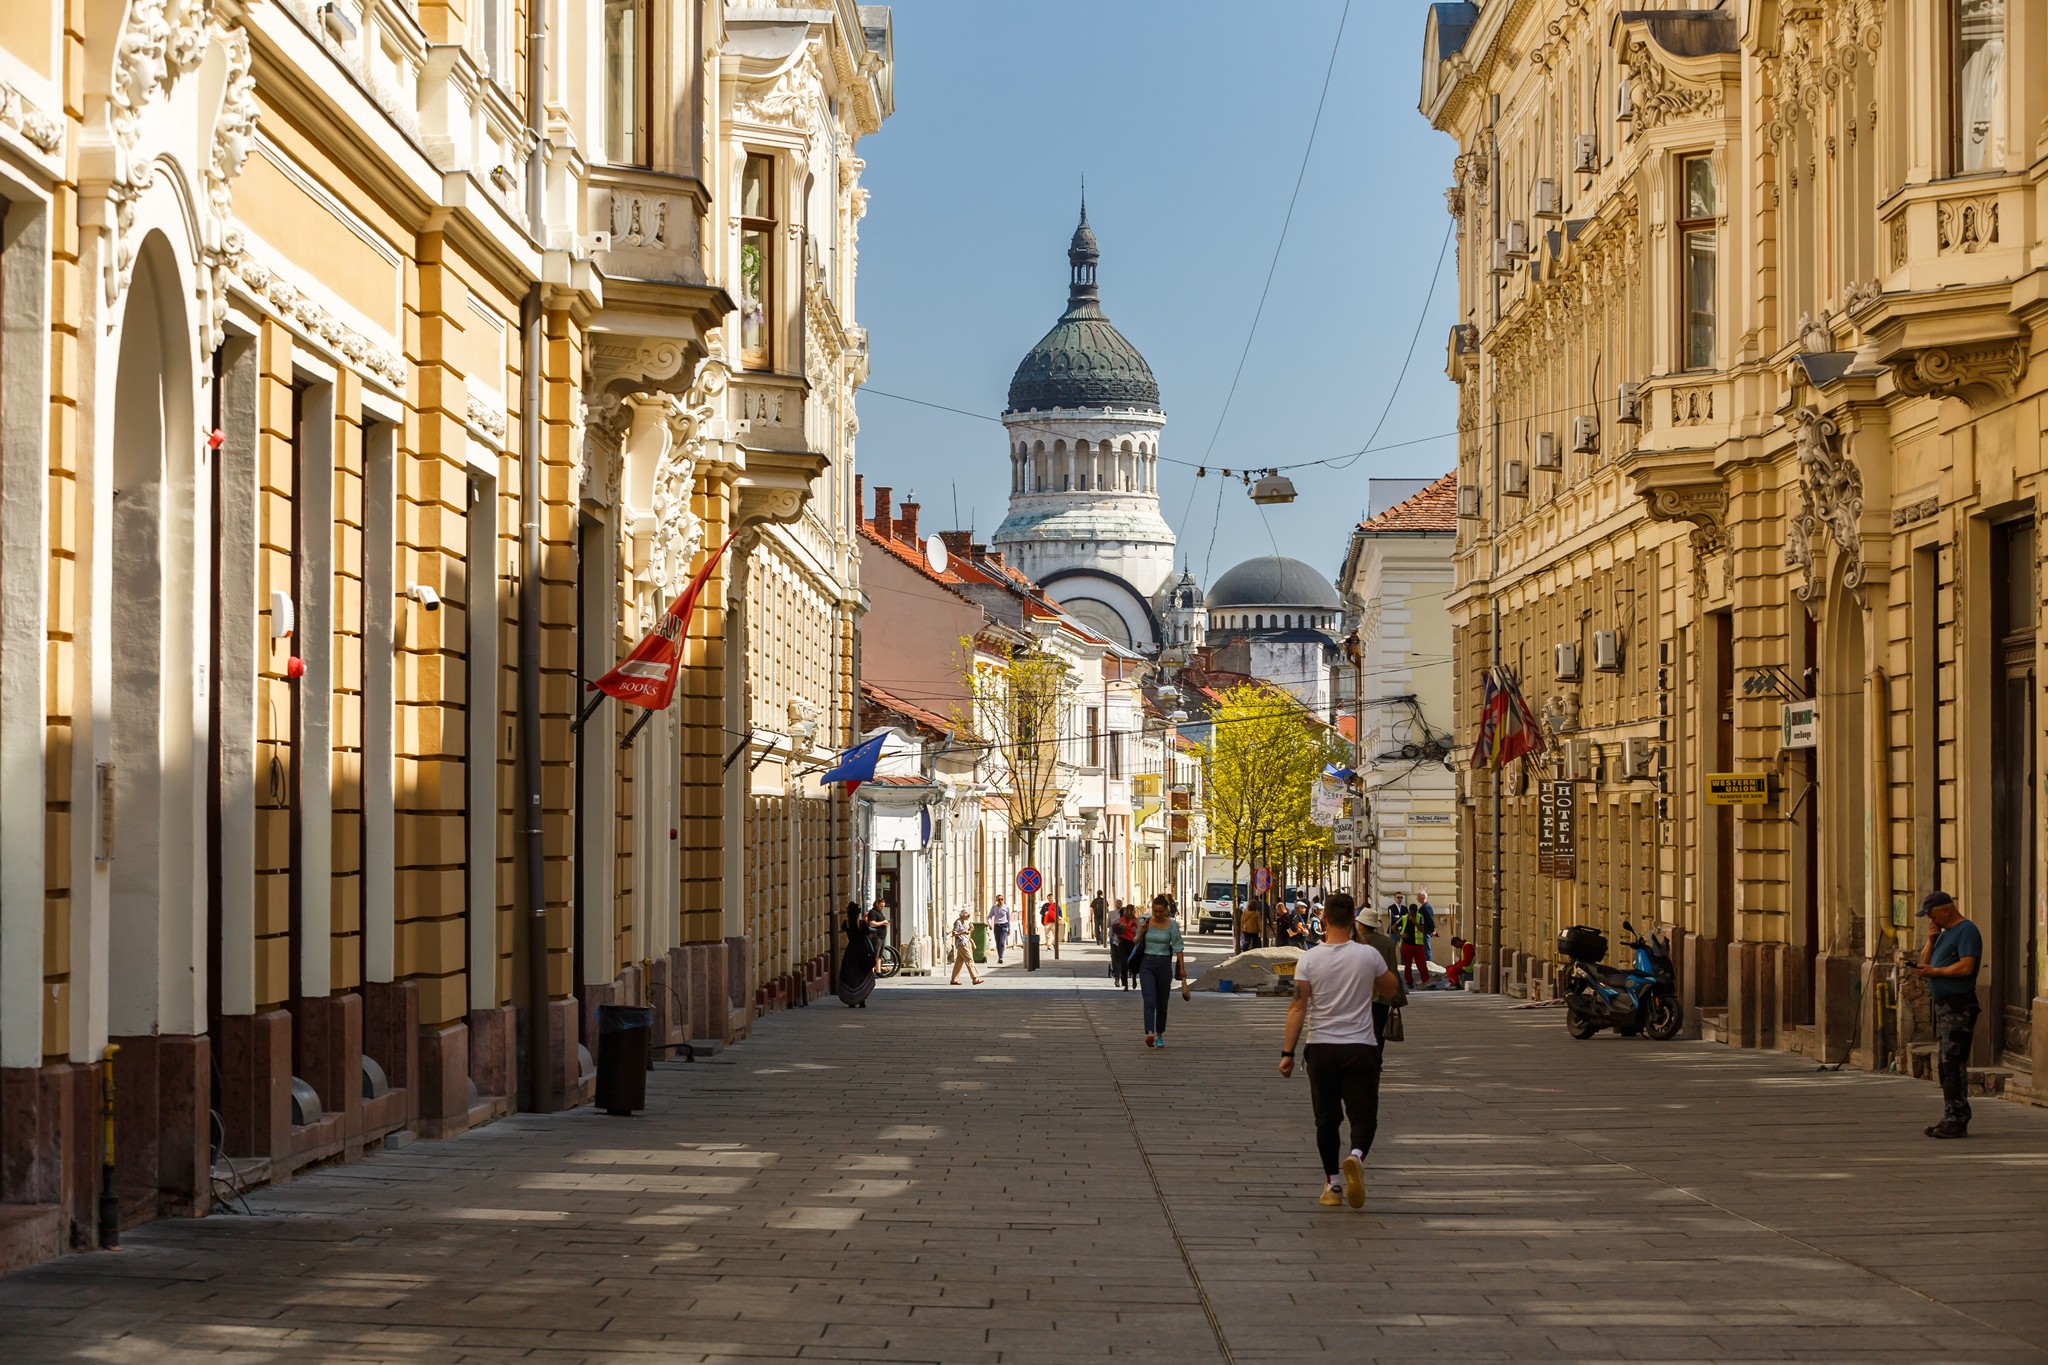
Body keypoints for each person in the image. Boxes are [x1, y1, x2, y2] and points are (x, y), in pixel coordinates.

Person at [1278, 892, 1399, 1208]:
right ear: (1354, 923)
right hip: (1361, 1047)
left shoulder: (1309, 959)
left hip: (1322, 1049)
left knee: (1326, 1120)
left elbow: (1297, 1007)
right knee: (1364, 1115)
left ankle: (1332, 1185)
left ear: (1324, 920)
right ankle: (1356, 1156)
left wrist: (1288, 1053)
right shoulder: (1368, 955)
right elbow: (1389, 989)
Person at [1914, 889, 1982, 1139]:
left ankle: (1958, 1118)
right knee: (1945, 1063)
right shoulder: (1943, 934)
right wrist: (1931, 941)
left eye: (1933, 915)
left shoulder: (1967, 931)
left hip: (1958, 1005)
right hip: (1944, 1005)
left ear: (1946, 909)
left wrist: (1936, 972)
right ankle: (1950, 1115)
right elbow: (1925, 961)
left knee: (1953, 1062)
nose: (1932, 921)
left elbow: (1967, 966)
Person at [1133, 893, 1187, 1047]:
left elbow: (1178, 947)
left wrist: (1182, 969)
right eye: (1154, 911)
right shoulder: (1145, 922)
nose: (1157, 914)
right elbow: (1135, 941)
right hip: (1147, 964)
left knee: (1162, 1002)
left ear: (1166, 910)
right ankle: (1149, 1033)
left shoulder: (1172, 925)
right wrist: (1142, 931)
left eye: (1160, 911)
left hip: (1164, 964)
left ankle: (1159, 1034)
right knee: (1149, 999)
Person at [836, 901, 877, 1008]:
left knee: (850, 975)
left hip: (850, 952)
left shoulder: (846, 924)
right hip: (862, 952)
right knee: (862, 974)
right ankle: (862, 1000)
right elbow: (869, 936)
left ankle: (851, 1000)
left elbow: (843, 931)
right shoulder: (862, 924)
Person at [1396, 900, 1430, 988]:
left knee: (1422, 964)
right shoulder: (1404, 918)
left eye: (1415, 912)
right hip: (1406, 945)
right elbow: (1393, 927)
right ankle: (1409, 982)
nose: (1413, 913)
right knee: (1407, 965)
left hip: (1418, 945)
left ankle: (1426, 981)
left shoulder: (1420, 917)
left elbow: (1422, 929)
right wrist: (1400, 936)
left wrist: (1414, 921)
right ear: (1409, 911)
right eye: (1412, 912)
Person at [948, 908, 984, 986]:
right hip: (962, 943)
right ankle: (975, 978)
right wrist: (962, 932)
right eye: (968, 915)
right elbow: (954, 933)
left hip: (966, 942)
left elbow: (967, 932)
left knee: (959, 961)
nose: (969, 916)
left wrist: (970, 929)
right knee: (969, 959)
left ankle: (954, 979)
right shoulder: (958, 922)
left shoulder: (965, 922)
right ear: (964, 915)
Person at [1111, 904, 1141, 989]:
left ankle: (1134, 978)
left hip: (1133, 942)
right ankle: (1125, 983)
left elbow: (1139, 932)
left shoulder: (1136, 921)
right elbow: (1116, 930)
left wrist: (1135, 931)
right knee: (1123, 963)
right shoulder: (1122, 920)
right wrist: (1120, 928)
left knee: (1133, 962)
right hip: (1123, 942)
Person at [1414, 888, 1439, 980]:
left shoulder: (1426, 907)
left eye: (1417, 897)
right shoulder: (1424, 907)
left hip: (1426, 931)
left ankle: (1429, 965)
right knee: (1425, 948)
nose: (1417, 899)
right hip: (1424, 931)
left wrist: (1433, 929)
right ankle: (1427, 964)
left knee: (1427, 948)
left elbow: (1430, 919)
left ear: (1422, 897)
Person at [989, 895, 1013, 963]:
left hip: (1004, 926)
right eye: (999, 899)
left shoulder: (1006, 907)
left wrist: (1009, 928)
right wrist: (990, 923)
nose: (1000, 901)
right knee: (998, 942)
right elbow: (990, 916)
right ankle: (999, 956)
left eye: (1002, 899)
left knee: (1002, 942)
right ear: (996, 900)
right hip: (997, 926)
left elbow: (1008, 918)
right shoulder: (994, 907)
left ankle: (1001, 957)